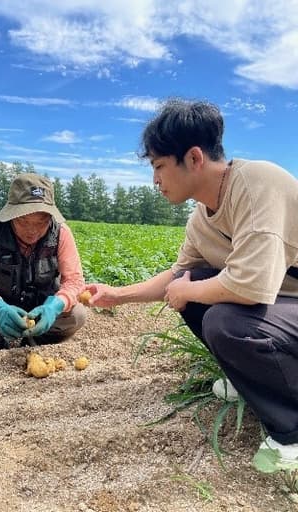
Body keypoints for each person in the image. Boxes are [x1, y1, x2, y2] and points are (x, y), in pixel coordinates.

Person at [85, 98, 298, 463]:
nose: (155, 180)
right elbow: (177, 277)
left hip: (284, 305)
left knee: (225, 320)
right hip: (286, 307)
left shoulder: (257, 184)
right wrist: (117, 294)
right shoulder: (201, 218)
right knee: (194, 282)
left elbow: (248, 287)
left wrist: (187, 290)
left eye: (159, 166)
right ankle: (253, 378)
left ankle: (291, 434)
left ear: (194, 158)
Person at [0, 173, 86, 351]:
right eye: (23, 221)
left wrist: (55, 306)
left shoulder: (61, 233)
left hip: (42, 304)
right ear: (12, 215)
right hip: (2, 305)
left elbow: (74, 281)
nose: (32, 231)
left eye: (41, 222)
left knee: (76, 315)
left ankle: (36, 345)